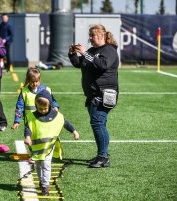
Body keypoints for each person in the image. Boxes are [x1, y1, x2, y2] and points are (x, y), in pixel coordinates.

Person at [68, 24, 119, 168]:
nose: (90, 38)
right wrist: (72, 54)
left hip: (104, 94)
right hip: (93, 95)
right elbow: (80, 64)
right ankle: (102, 155)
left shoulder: (109, 50)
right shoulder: (92, 50)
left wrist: (85, 53)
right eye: (89, 35)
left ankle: (103, 157)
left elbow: (102, 65)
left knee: (98, 124)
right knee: (98, 124)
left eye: (92, 35)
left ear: (101, 36)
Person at [24, 89, 80, 196]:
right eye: (40, 108)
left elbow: (65, 123)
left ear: (49, 105)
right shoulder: (31, 116)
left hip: (49, 146)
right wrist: (27, 137)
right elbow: (28, 128)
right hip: (36, 147)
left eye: (45, 108)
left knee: (45, 164)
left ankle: (45, 186)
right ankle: (41, 181)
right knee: (38, 165)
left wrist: (74, 131)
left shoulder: (56, 115)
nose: (42, 110)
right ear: (36, 105)